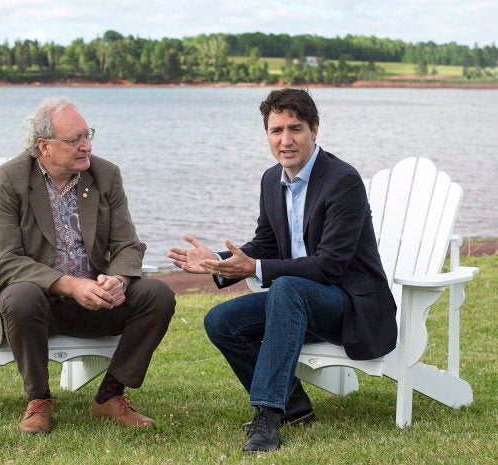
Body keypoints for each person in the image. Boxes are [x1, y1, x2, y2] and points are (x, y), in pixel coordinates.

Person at [168, 88, 397, 453]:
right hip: (296, 301)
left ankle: (268, 416)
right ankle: (294, 407)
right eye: (277, 131)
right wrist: (221, 264)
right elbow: (267, 244)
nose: (285, 140)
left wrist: (256, 268)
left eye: (296, 128)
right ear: (267, 135)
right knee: (221, 321)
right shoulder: (271, 180)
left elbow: (330, 265)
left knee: (288, 286)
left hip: (351, 306)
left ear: (315, 130)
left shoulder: (342, 181)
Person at [0, 96, 175, 434]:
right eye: (75, 139)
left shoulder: (104, 174)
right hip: (36, 306)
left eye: (88, 135)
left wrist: (118, 282)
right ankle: (39, 400)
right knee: (20, 296)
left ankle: (110, 396)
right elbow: (4, 261)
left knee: (158, 294)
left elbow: (127, 243)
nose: (87, 146)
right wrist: (70, 285)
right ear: (44, 146)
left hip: (98, 300)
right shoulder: (7, 181)